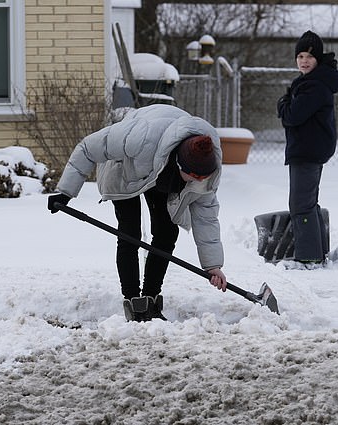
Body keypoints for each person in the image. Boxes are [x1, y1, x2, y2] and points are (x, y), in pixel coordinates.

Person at [47, 104, 228, 322]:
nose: (199, 182)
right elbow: (88, 148)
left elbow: (206, 215)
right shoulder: (138, 137)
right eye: (195, 177)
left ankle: (150, 299)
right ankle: (133, 301)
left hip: (162, 175)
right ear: (180, 164)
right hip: (126, 171)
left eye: (203, 179)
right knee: (129, 234)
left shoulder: (207, 171)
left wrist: (213, 265)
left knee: (167, 233)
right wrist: (65, 193)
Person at [276, 30, 338, 266]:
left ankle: (310, 256)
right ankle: (317, 251)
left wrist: (283, 103)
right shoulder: (313, 82)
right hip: (309, 149)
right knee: (307, 201)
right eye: (300, 56)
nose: (304, 60)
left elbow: (293, 115)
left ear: (318, 59)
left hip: (307, 150)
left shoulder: (314, 85)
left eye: (309, 57)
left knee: (300, 204)